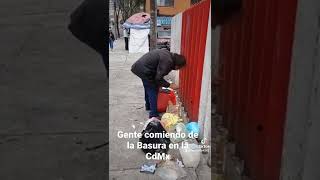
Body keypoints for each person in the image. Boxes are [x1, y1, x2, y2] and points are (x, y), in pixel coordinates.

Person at [131, 49, 186, 118]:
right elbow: (158, 78)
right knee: (152, 90)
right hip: (144, 70)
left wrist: (160, 84)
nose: (178, 70)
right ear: (177, 65)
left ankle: (148, 106)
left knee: (148, 87)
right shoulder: (168, 61)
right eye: (179, 68)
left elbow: (159, 74)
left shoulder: (168, 55)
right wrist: (170, 85)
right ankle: (153, 114)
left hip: (141, 67)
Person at [68, 0, 108, 74]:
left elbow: (73, 22)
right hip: (101, 36)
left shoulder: (89, 3)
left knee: (105, 55)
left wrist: (88, 38)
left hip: (98, 36)